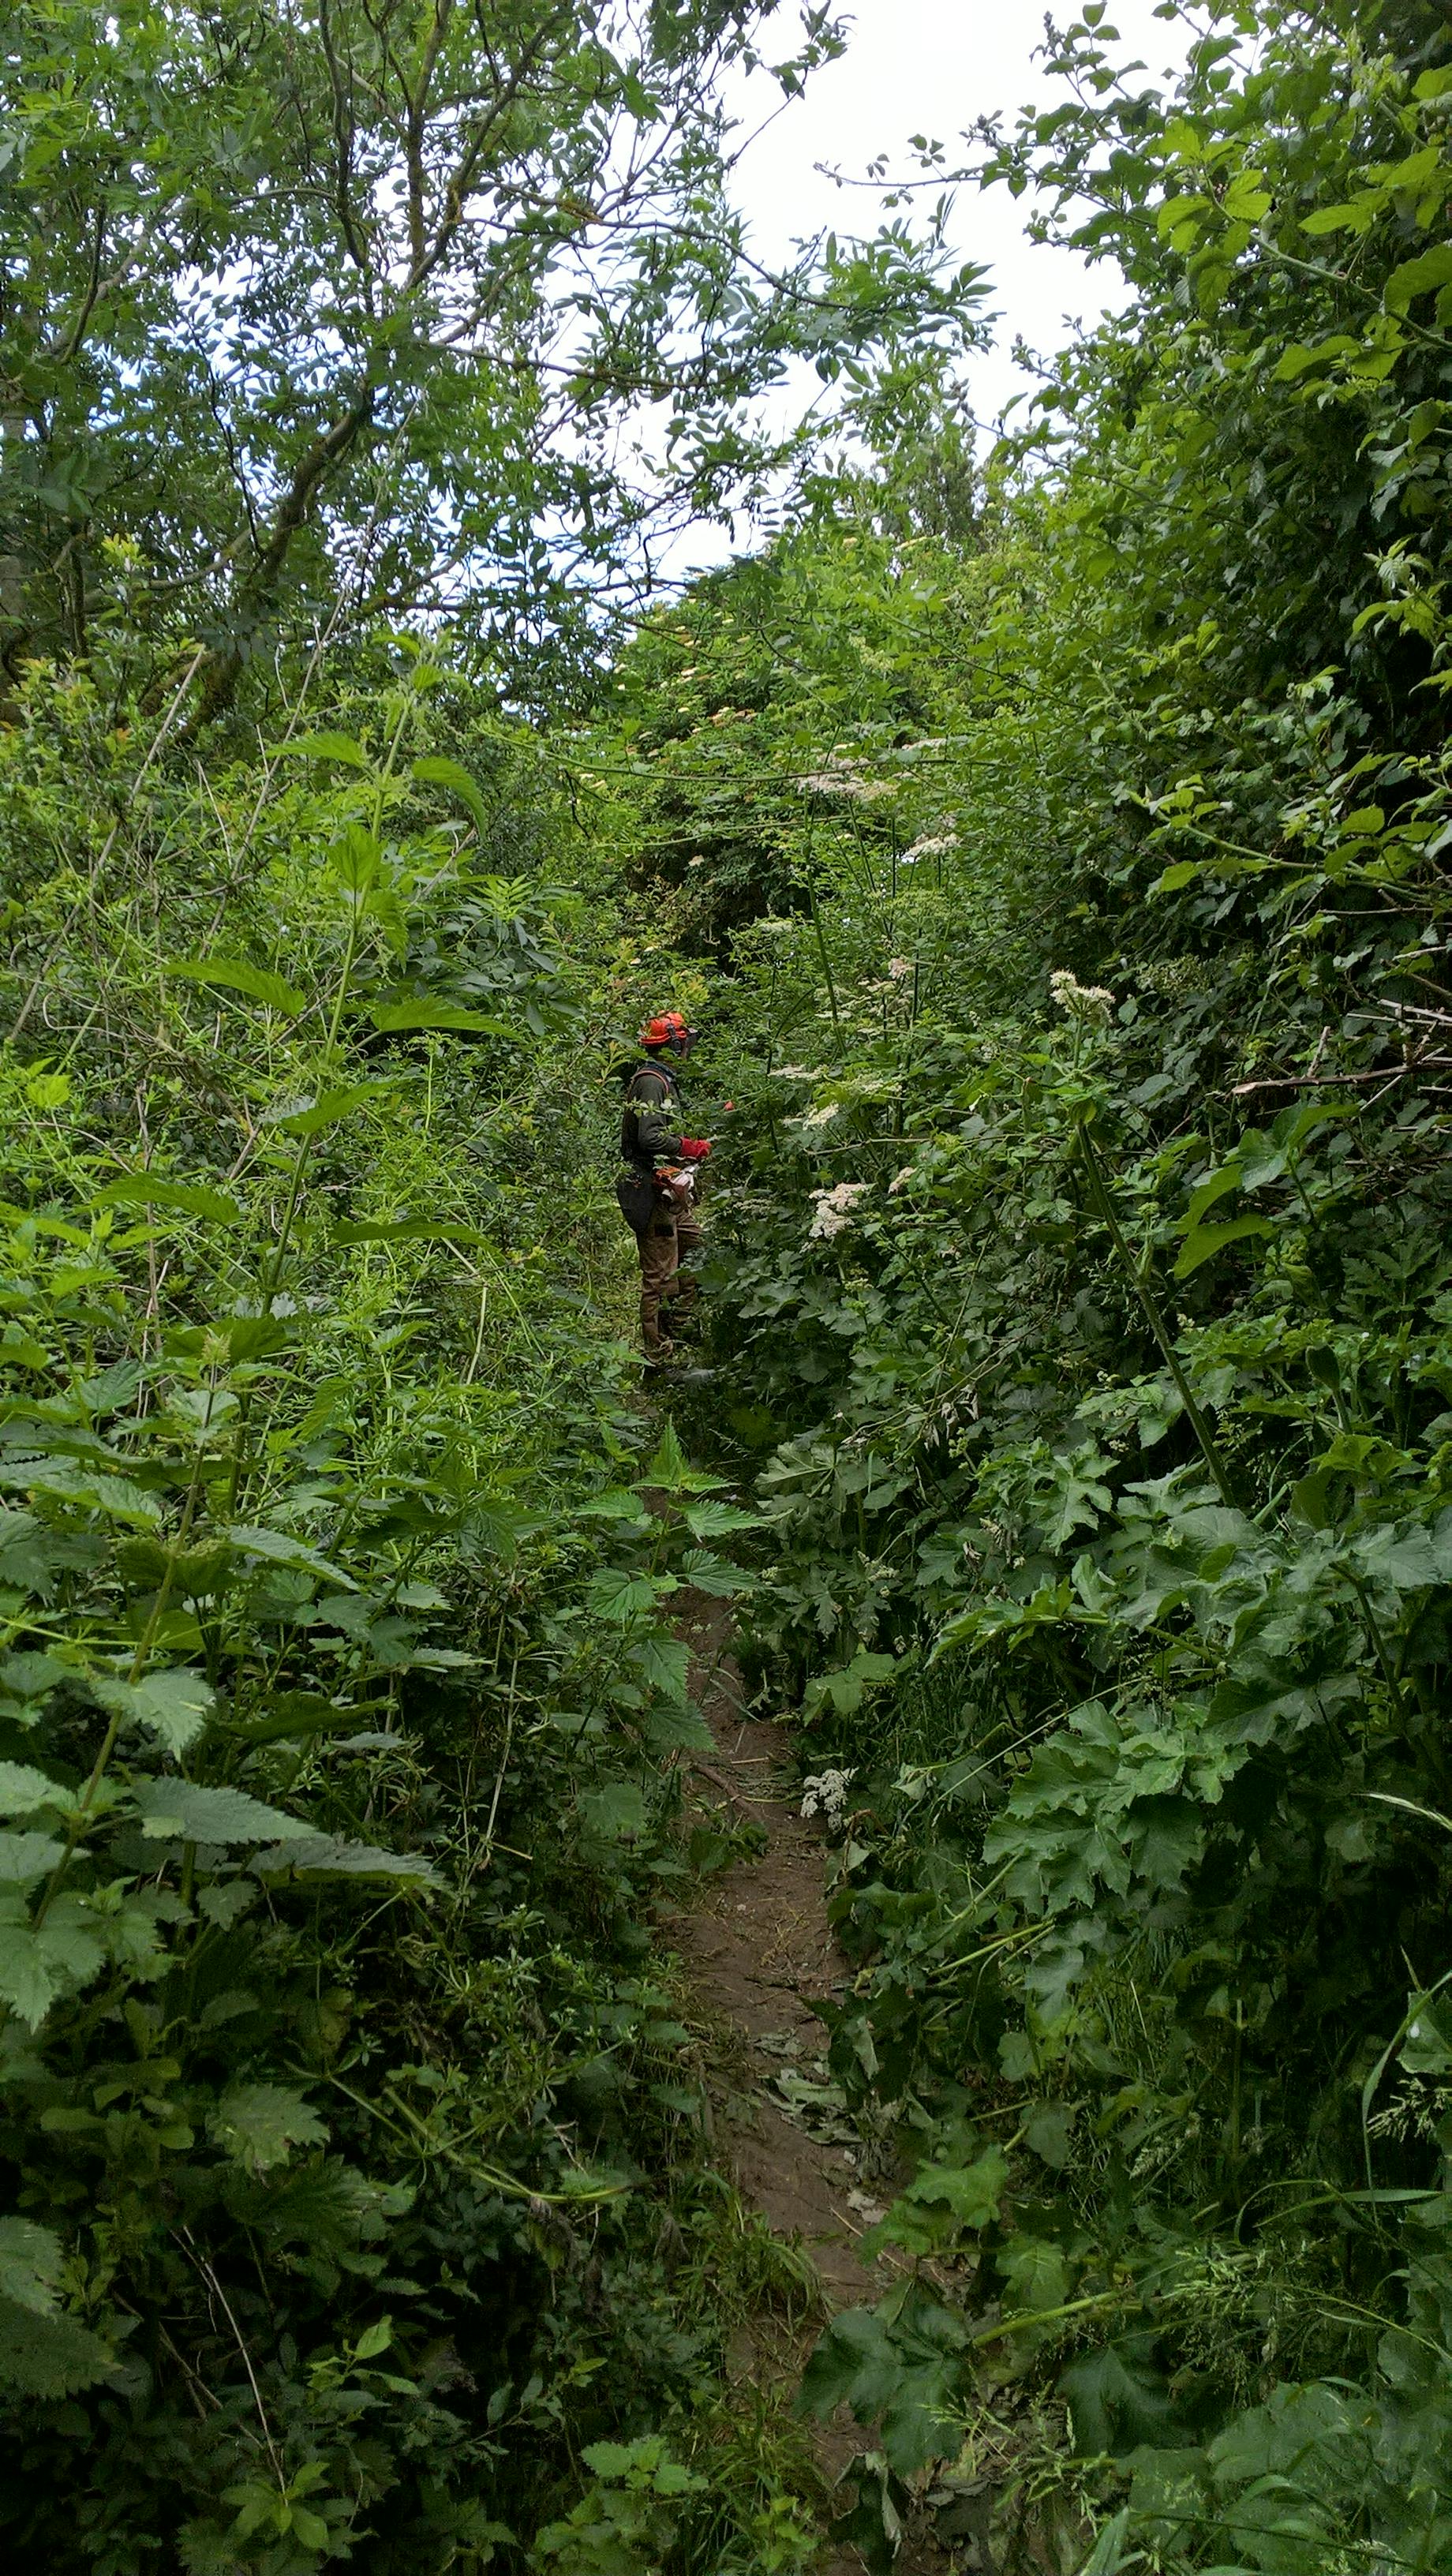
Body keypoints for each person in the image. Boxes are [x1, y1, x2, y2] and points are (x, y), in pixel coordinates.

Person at [616, 1010, 711, 1361]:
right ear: (673, 1045)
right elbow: (651, 1136)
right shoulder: (653, 1080)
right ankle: (657, 1358)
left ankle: (680, 1328)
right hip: (650, 1188)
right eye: (684, 1041)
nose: (688, 1048)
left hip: (667, 1188)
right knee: (659, 1276)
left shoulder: (664, 1080)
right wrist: (687, 1147)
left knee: (695, 1250)